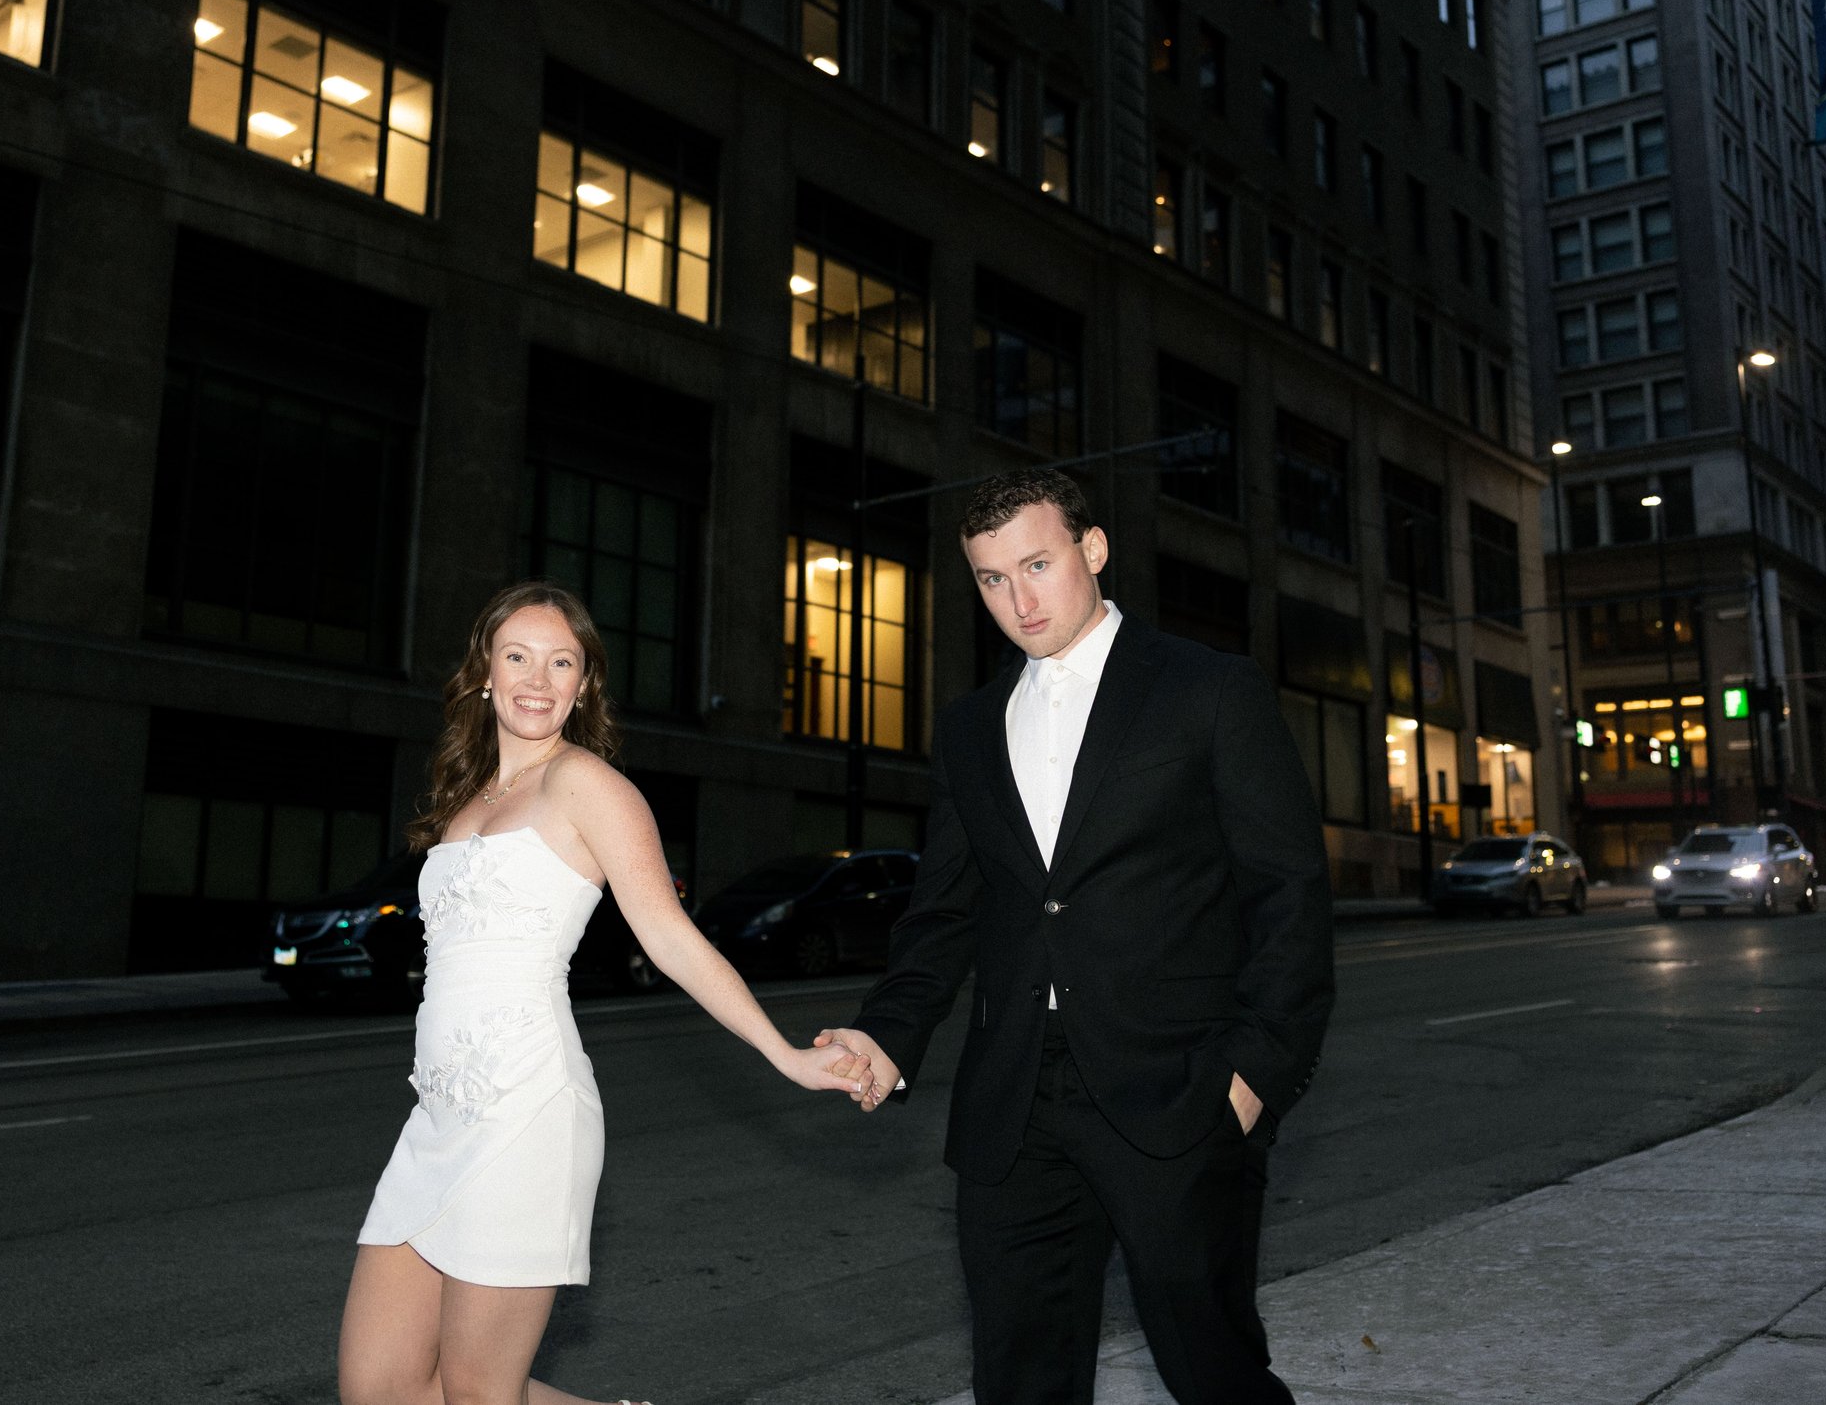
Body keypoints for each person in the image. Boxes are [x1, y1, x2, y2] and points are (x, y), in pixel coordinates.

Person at [817, 470, 1335, 1405]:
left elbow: (1288, 892)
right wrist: (889, 1035)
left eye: (1038, 564)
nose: (1017, 600)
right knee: (1019, 1375)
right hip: (1015, 1096)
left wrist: (1256, 1074)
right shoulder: (973, 726)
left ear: (1092, 551)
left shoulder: (1208, 688)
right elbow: (944, 908)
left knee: (1211, 1368)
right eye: (990, 579)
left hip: (1177, 1090)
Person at [339, 580, 870, 1405]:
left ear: (584, 683)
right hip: (439, 1115)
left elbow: (671, 938)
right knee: (382, 1386)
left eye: (562, 662)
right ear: (485, 669)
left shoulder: (586, 785)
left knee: (480, 1392)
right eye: (518, 656)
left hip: (526, 1108)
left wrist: (786, 1054)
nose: (537, 678)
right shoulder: (467, 801)